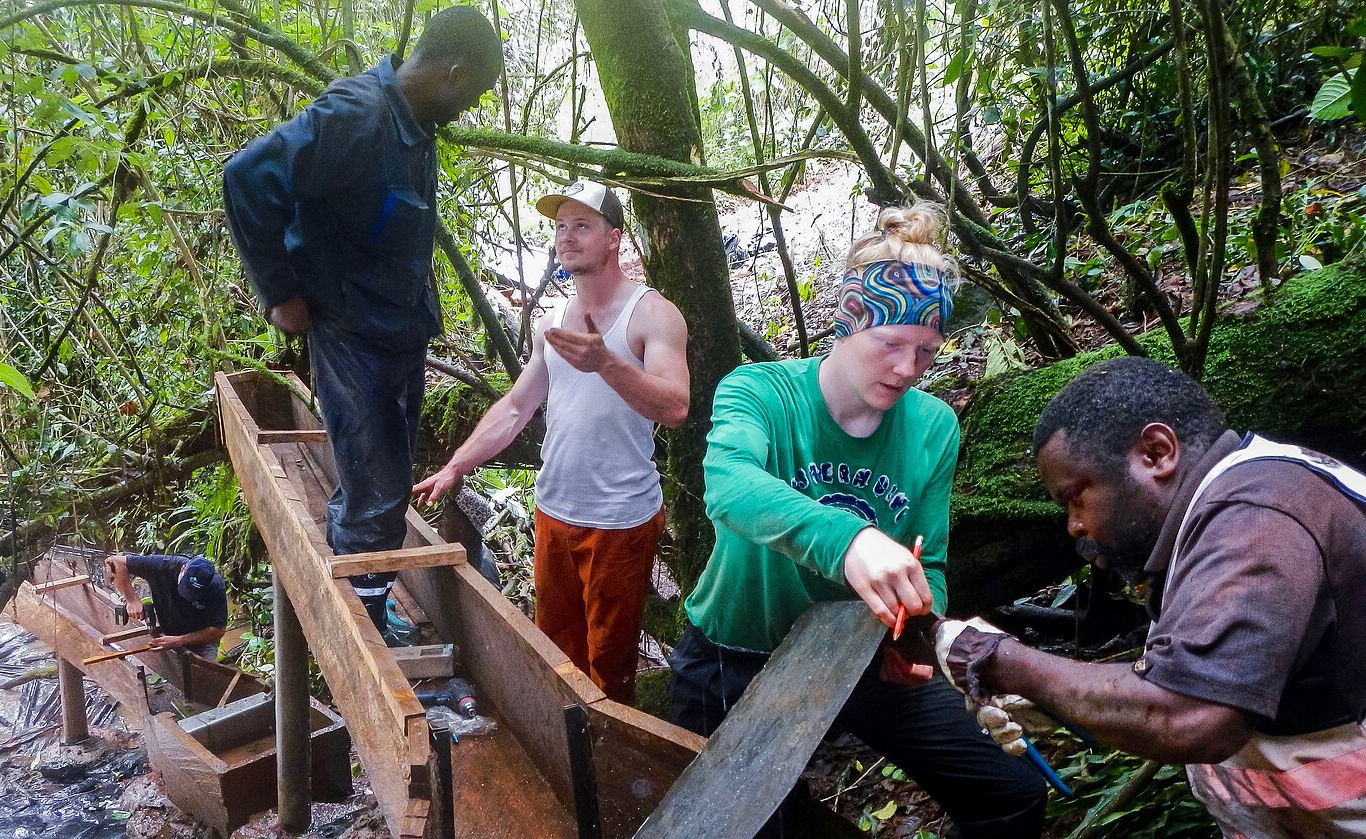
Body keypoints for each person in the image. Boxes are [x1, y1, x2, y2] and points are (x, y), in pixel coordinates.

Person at [671, 202, 1046, 837]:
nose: (907, 369)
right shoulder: (760, 391)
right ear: (846, 326)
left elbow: (927, 558)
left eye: (926, 352)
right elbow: (729, 486)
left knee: (1011, 793)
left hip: (859, 654)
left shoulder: (933, 427)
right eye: (890, 343)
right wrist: (851, 541)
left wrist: (920, 639)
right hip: (736, 656)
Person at [935, 356, 1366, 837]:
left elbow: (1193, 716)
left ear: (1157, 453)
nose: (1075, 525)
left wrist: (993, 657)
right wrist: (1054, 695)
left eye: (1076, 497)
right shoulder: (1233, 504)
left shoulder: (1257, 518)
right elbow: (1182, 673)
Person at [221, 8, 502, 631]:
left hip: (398, 327)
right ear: (452, 73)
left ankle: (359, 582)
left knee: (381, 474)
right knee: (378, 490)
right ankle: (365, 624)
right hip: (351, 330)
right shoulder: (357, 116)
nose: (469, 109)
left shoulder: (414, 121)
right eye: (473, 95)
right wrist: (281, 291)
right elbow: (246, 178)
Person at [413, 180, 690, 704]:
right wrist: (457, 464)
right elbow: (516, 407)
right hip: (555, 510)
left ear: (614, 237)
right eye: (561, 227)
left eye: (581, 225)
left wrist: (606, 361)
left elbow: (675, 408)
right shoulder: (555, 321)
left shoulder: (652, 314)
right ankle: (570, 756)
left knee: (610, 666)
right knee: (558, 656)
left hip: (620, 518)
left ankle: (612, 766)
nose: (567, 237)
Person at [105, 553, 228, 660]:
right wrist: (131, 599)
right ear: (182, 570)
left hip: (201, 639)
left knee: (205, 677)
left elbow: (218, 630)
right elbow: (113, 561)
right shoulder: (163, 566)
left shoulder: (216, 587)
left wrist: (178, 640)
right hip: (168, 627)